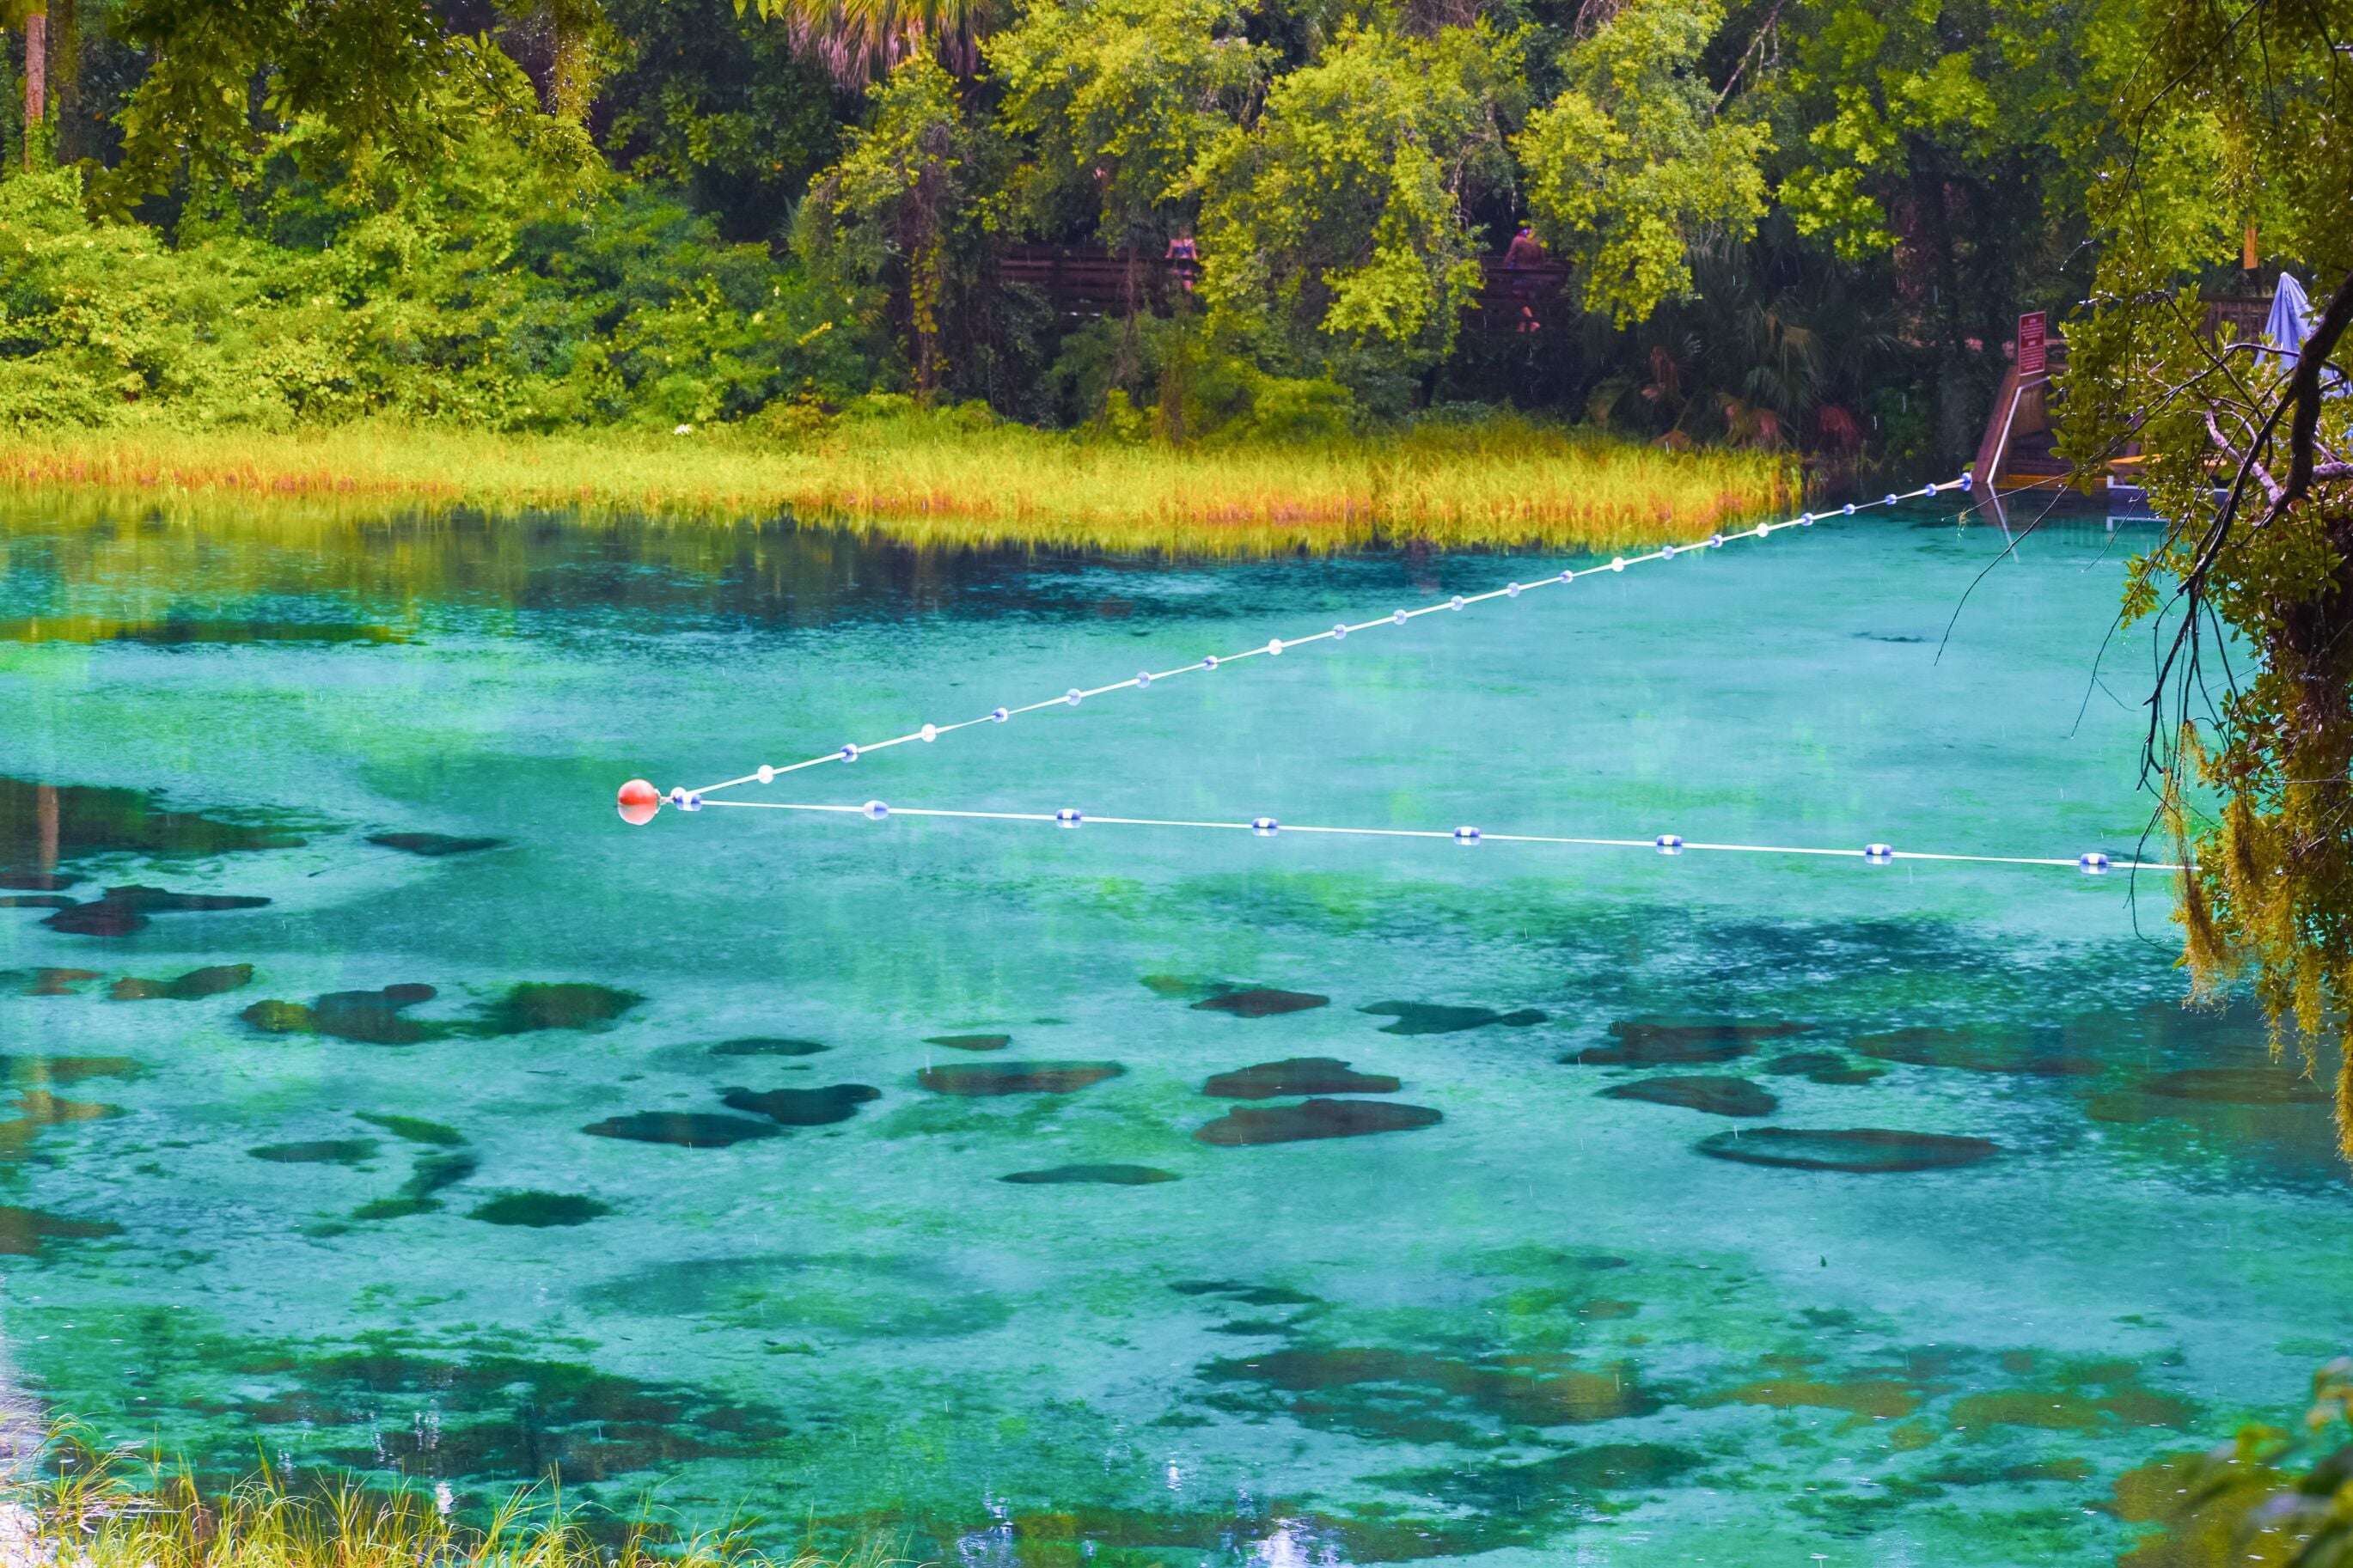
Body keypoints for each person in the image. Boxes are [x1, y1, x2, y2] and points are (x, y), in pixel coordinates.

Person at [1503, 225, 1545, 333]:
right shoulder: (1538, 241)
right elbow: (1542, 261)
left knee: (1517, 299)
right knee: (1529, 301)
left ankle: (1533, 322)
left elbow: (1509, 256)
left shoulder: (1517, 240)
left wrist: (1503, 269)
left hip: (1521, 274)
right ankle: (1522, 326)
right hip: (1536, 276)